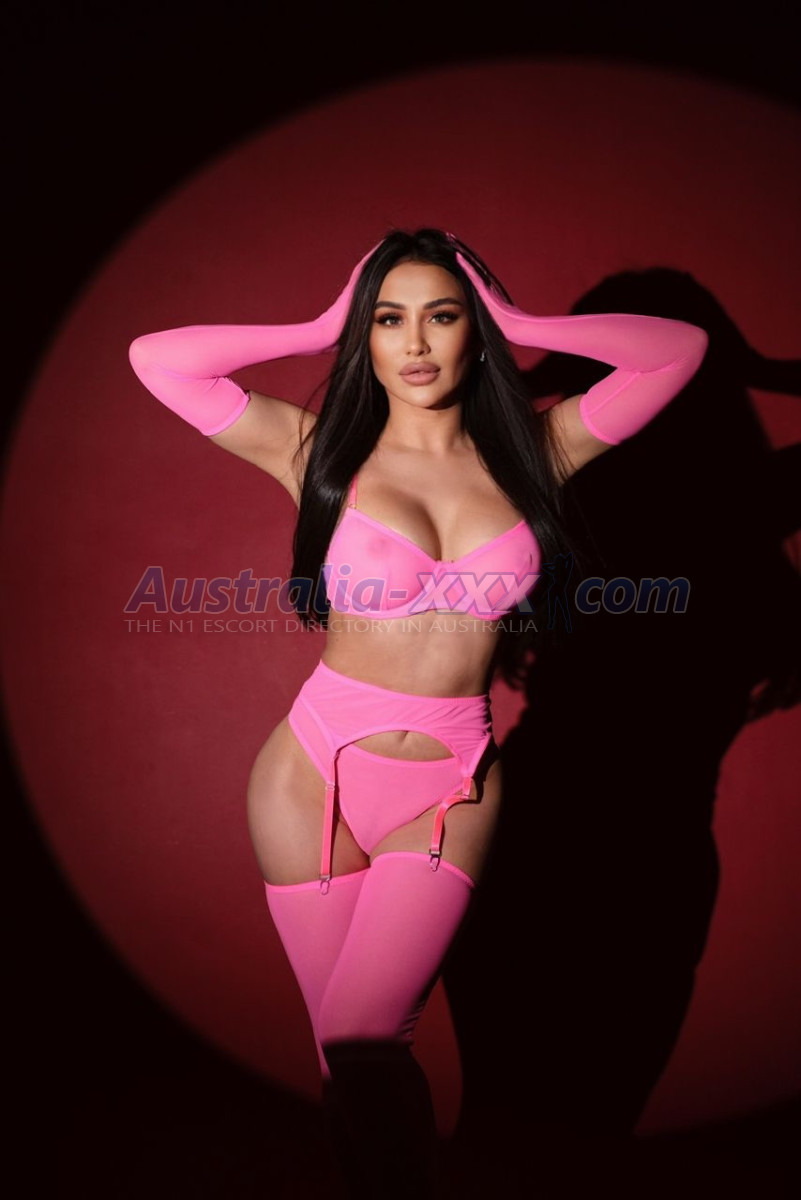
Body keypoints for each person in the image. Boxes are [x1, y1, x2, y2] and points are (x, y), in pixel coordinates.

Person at [128, 228, 708, 1197]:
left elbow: (677, 352)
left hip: (451, 782)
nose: (415, 343)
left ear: (473, 332)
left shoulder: (540, 452)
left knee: (365, 1036)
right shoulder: (315, 449)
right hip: (310, 775)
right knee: (344, 1063)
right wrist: (321, 322)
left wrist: (520, 318)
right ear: (367, 336)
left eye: (442, 316)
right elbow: (156, 360)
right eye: (389, 320)